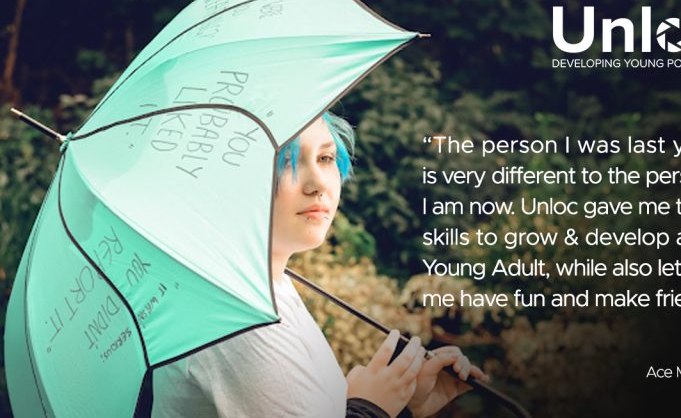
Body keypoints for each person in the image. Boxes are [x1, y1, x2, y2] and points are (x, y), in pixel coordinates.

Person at [152, 112, 488, 418]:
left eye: (326, 158)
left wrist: (405, 409)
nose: (317, 184)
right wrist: (370, 410)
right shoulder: (233, 315)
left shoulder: (273, 286)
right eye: (285, 163)